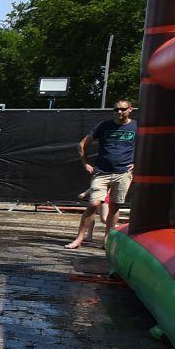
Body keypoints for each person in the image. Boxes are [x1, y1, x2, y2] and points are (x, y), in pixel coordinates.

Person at [65, 100, 137, 249]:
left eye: (123, 109)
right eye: (116, 109)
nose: (119, 112)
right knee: (93, 204)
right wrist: (85, 163)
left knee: (115, 206)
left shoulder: (137, 127)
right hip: (102, 172)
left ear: (130, 109)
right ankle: (79, 239)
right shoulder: (104, 126)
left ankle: (107, 240)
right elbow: (81, 145)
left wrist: (137, 163)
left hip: (123, 173)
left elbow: (149, 145)